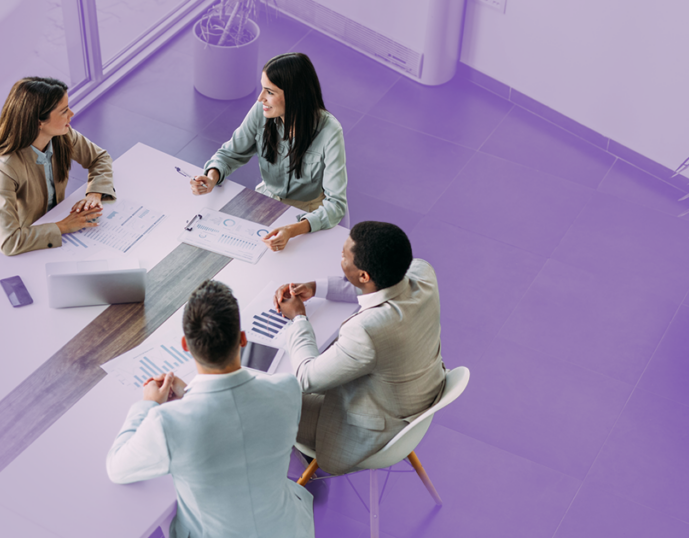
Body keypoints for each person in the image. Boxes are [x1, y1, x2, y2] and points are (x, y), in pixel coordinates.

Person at [106, 280, 315, 538]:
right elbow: (237, 415)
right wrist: (189, 393)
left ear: (185, 345)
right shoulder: (287, 389)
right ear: (242, 339)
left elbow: (117, 467)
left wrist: (147, 404)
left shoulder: (166, 423)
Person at [274, 221, 446, 475]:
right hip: (416, 396)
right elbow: (379, 287)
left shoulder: (367, 331)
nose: (340, 259)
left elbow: (306, 378)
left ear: (363, 275)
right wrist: (316, 287)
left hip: (373, 427)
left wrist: (298, 318)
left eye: (344, 257)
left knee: (270, 397)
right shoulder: (423, 273)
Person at [192, 52, 347, 252]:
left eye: (269, 92)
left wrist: (292, 230)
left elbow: (336, 204)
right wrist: (211, 177)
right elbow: (229, 154)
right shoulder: (261, 111)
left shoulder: (330, 131)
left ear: (294, 95)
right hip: (265, 202)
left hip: (306, 217)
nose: (260, 98)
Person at [0, 77, 115, 266]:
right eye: (64, 111)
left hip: (47, 225)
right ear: (39, 121)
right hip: (5, 253)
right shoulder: (2, 167)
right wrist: (64, 226)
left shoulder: (62, 135)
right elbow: (9, 242)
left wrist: (94, 194)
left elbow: (100, 158)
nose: (71, 114)